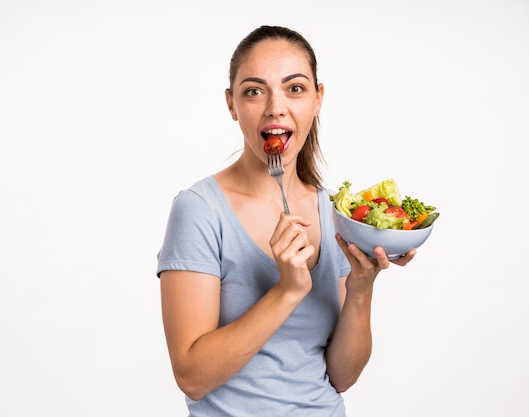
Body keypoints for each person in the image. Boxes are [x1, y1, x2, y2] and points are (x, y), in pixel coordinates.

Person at [156, 25, 416, 417]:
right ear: (231, 104)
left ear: (318, 99)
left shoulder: (336, 213)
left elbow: (342, 376)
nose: (275, 107)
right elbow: (192, 376)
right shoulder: (200, 210)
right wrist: (286, 291)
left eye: (295, 88)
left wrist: (361, 289)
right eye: (254, 91)